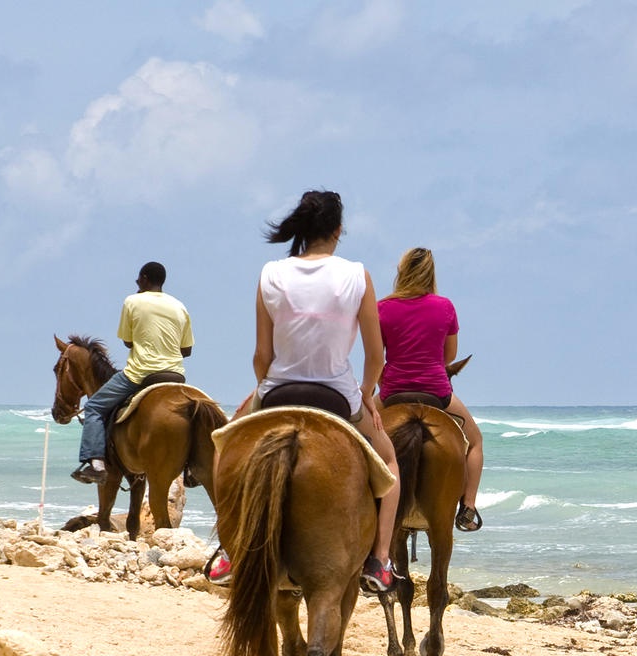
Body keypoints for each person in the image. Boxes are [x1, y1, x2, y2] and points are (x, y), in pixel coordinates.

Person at [207, 190, 400, 593]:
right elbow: (375, 354)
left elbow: (261, 354)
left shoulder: (270, 273)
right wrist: (366, 392)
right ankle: (380, 559)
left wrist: (261, 387)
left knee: (224, 449)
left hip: (279, 390)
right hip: (337, 395)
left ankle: (228, 549)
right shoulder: (357, 275)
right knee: (389, 463)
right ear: (337, 230)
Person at [378, 247, 484, 531]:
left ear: (401, 273)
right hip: (436, 392)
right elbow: (449, 357)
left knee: (355, 436)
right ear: (430, 274)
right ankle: (468, 508)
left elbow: (377, 357)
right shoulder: (445, 306)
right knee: (474, 442)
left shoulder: (382, 308)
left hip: (393, 392)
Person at [72, 261, 193, 483]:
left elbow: (128, 342)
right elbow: (187, 350)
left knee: (94, 407)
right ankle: (193, 465)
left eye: (138, 278)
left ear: (145, 279)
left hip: (141, 373)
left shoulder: (133, 301)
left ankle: (96, 464)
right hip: (176, 375)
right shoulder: (180, 306)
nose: (137, 282)